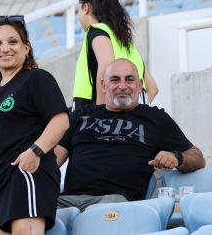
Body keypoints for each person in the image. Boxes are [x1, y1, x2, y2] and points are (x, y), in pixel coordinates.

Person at [0, 15, 69, 234]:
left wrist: (35, 151)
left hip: (26, 173)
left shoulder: (36, 78)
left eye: (12, 42)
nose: (4, 48)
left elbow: (61, 120)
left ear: (26, 48)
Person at [56, 59, 205, 212]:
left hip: (116, 202)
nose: (122, 86)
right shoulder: (79, 115)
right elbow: (54, 159)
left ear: (139, 85)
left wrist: (176, 157)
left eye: (129, 79)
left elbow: (198, 157)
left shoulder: (155, 118)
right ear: (103, 85)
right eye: (115, 80)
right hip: (68, 200)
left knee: (108, 210)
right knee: (36, 207)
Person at [72, 0, 158, 110]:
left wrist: (103, 115)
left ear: (86, 8)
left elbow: (106, 66)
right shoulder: (124, 42)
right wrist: (137, 111)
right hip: (136, 120)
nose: (78, 16)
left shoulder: (97, 31)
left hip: (95, 114)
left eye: (78, 10)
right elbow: (153, 88)